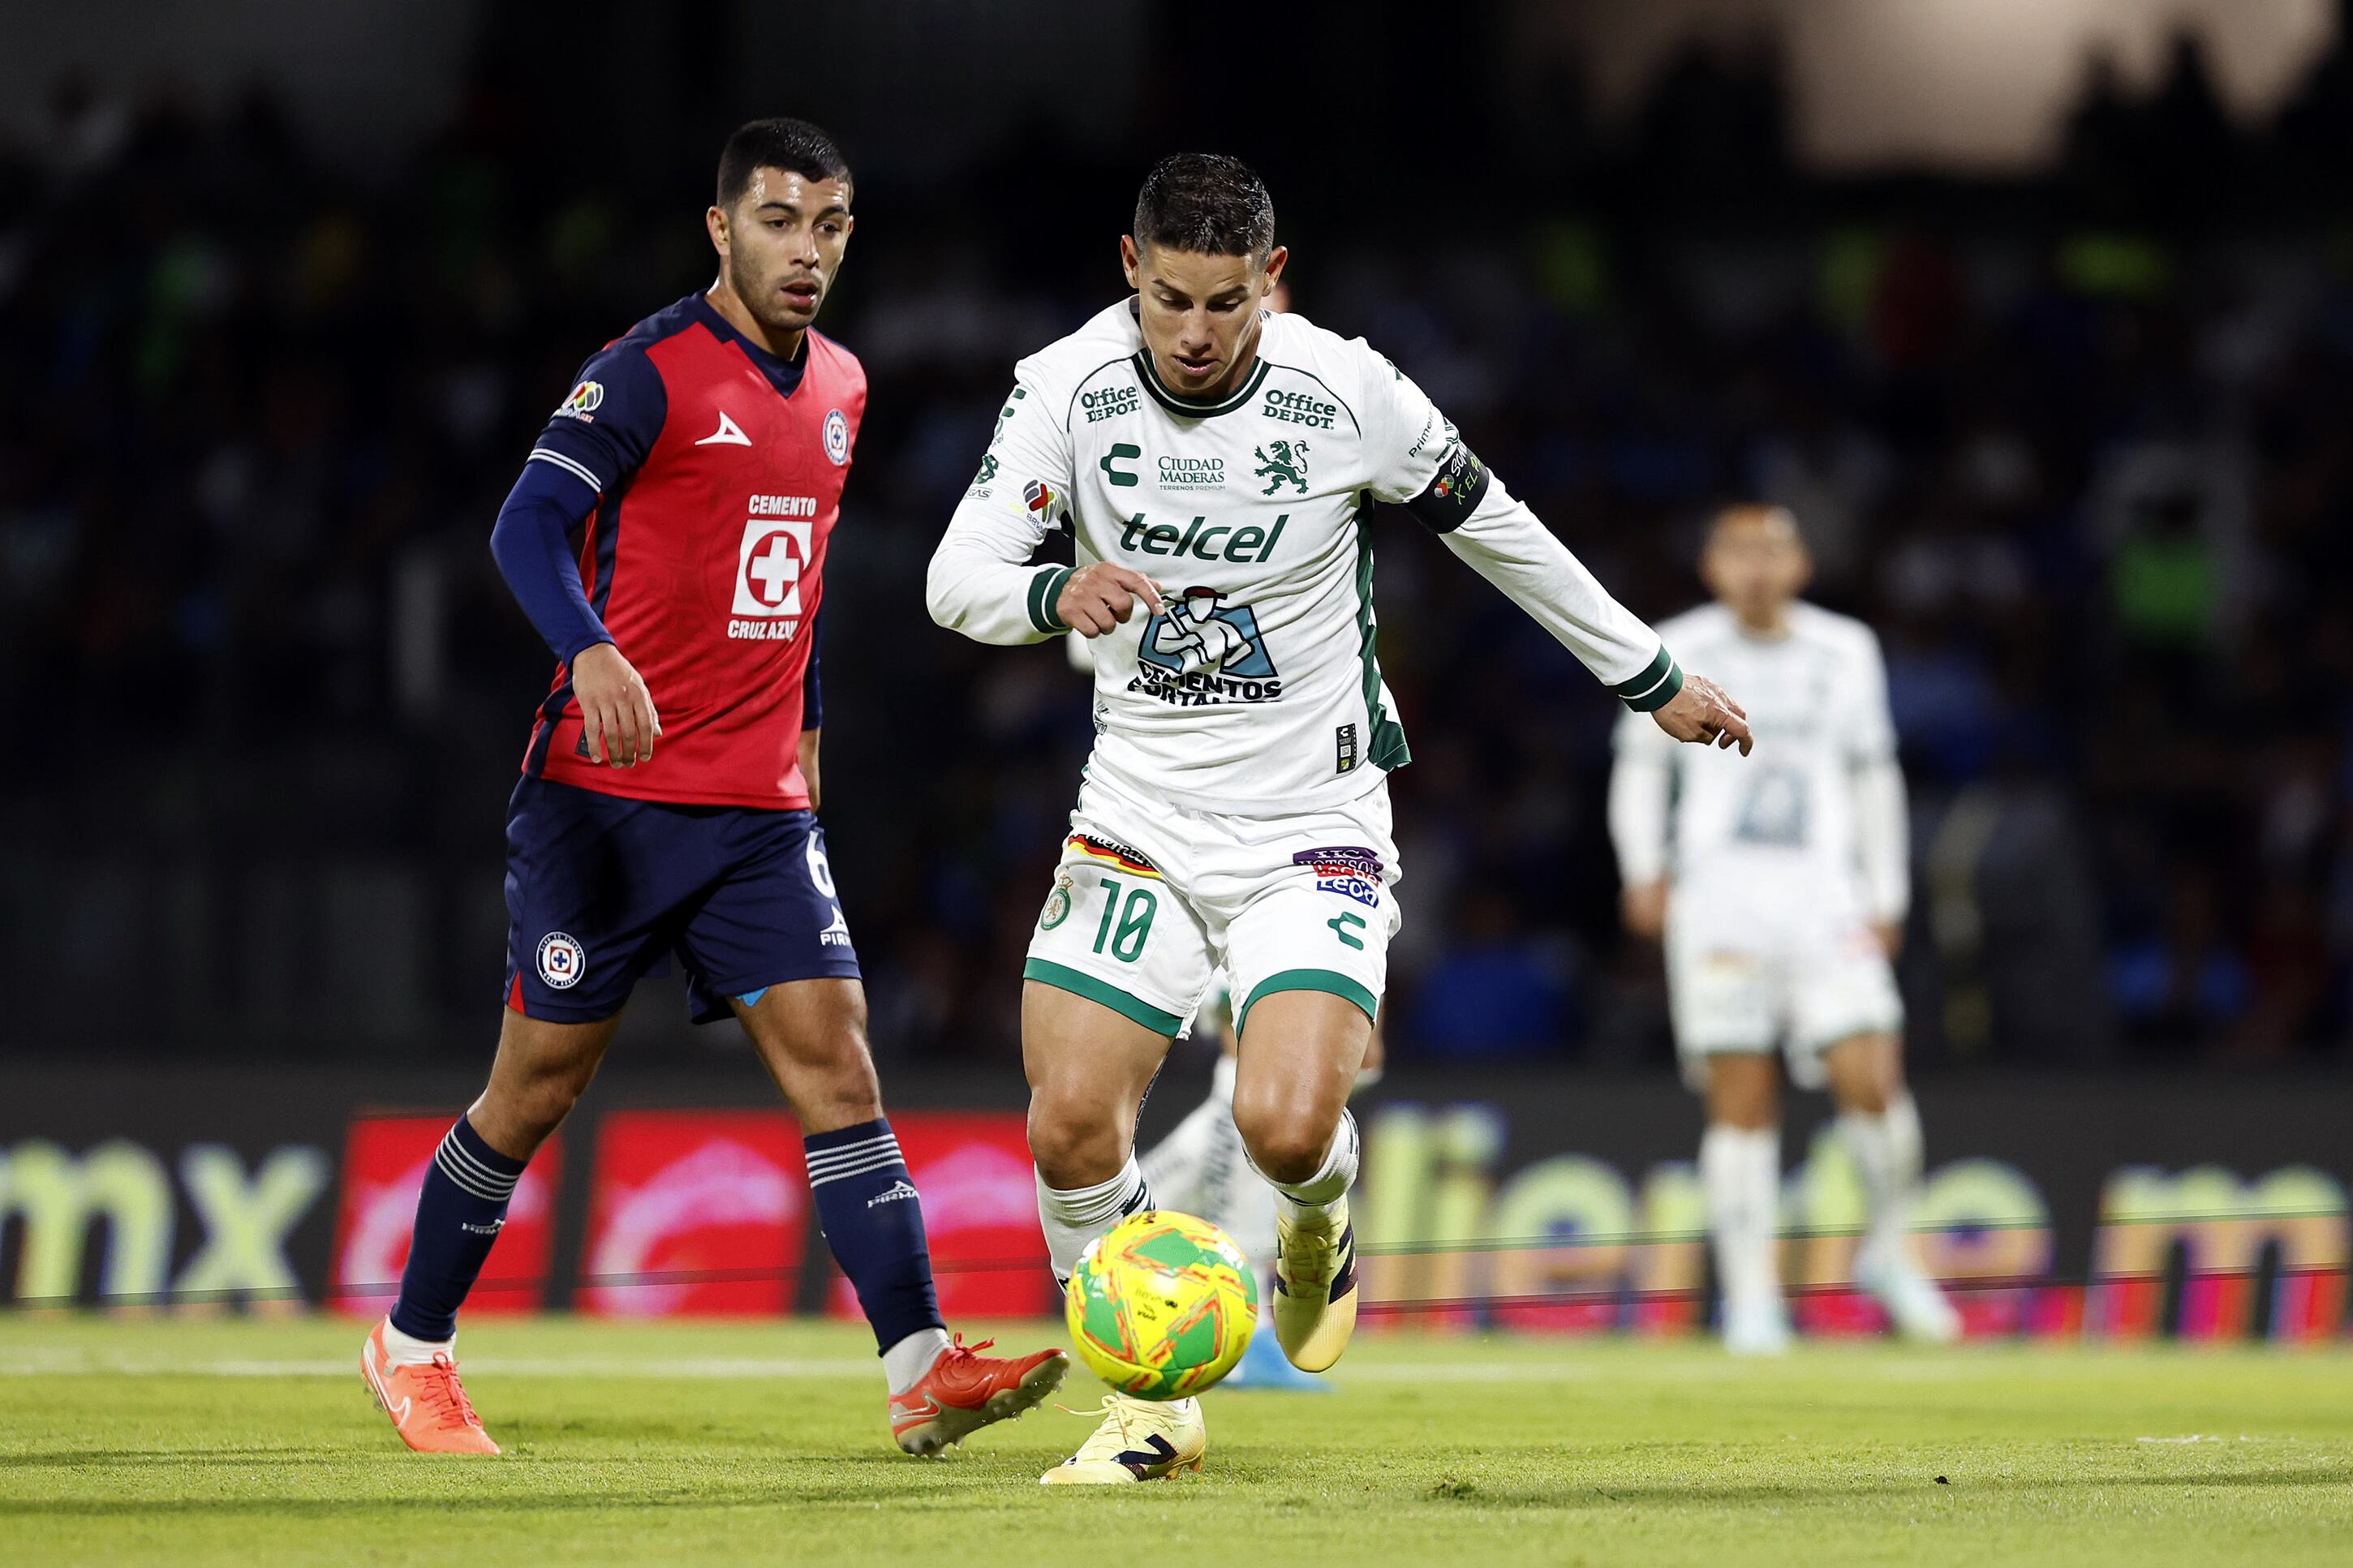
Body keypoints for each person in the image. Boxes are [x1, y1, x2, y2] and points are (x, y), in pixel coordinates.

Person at [928, 153, 1751, 1484]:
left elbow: (1503, 529)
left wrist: (1645, 675)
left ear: (1275, 282)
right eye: (1174, 300)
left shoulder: (1347, 390)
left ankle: (1319, 1215)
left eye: (1228, 303)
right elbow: (955, 572)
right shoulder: (1063, 389)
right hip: (1138, 809)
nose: (1196, 334)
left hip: (1311, 819)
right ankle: (1146, 1403)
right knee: (1070, 1124)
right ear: (1130, 271)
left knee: (1287, 1125)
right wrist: (1045, 596)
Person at [359, 118, 1064, 1458]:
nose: (808, 250)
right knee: (538, 1087)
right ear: (722, 228)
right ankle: (412, 1344)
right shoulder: (648, 372)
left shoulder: (847, 386)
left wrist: (806, 731)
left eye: (832, 225)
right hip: (601, 796)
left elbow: (784, 588)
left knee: (843, 1069)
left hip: (755, 810)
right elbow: (524, 524)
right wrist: (592, 648)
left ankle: (922, 1368)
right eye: (782, 221)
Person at [1607, 503, 1960, 1355]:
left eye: (1772, 551)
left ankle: (1887, 1250)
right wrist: (1640, 870)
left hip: (1823, 897)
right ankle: (1753, 1299)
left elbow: (1873, 775)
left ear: (1802, 565)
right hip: (1719, 899)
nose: (1756, 567)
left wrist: (1887, 895)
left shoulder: (1845, 650)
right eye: (1737, 552)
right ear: (1709, 566)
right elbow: (1639, 769)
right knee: (1740, 1100)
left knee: (1871, 1077)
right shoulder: (1671, 643)